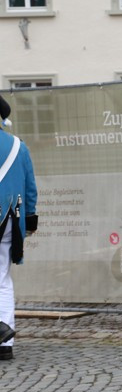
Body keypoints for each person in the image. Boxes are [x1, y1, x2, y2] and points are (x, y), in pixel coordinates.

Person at [0, 96, 38, 362]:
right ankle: (5, 344)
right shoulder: (18, 147)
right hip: (8, 220)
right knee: (2, 280)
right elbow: (29, 187)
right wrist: (31, 218)